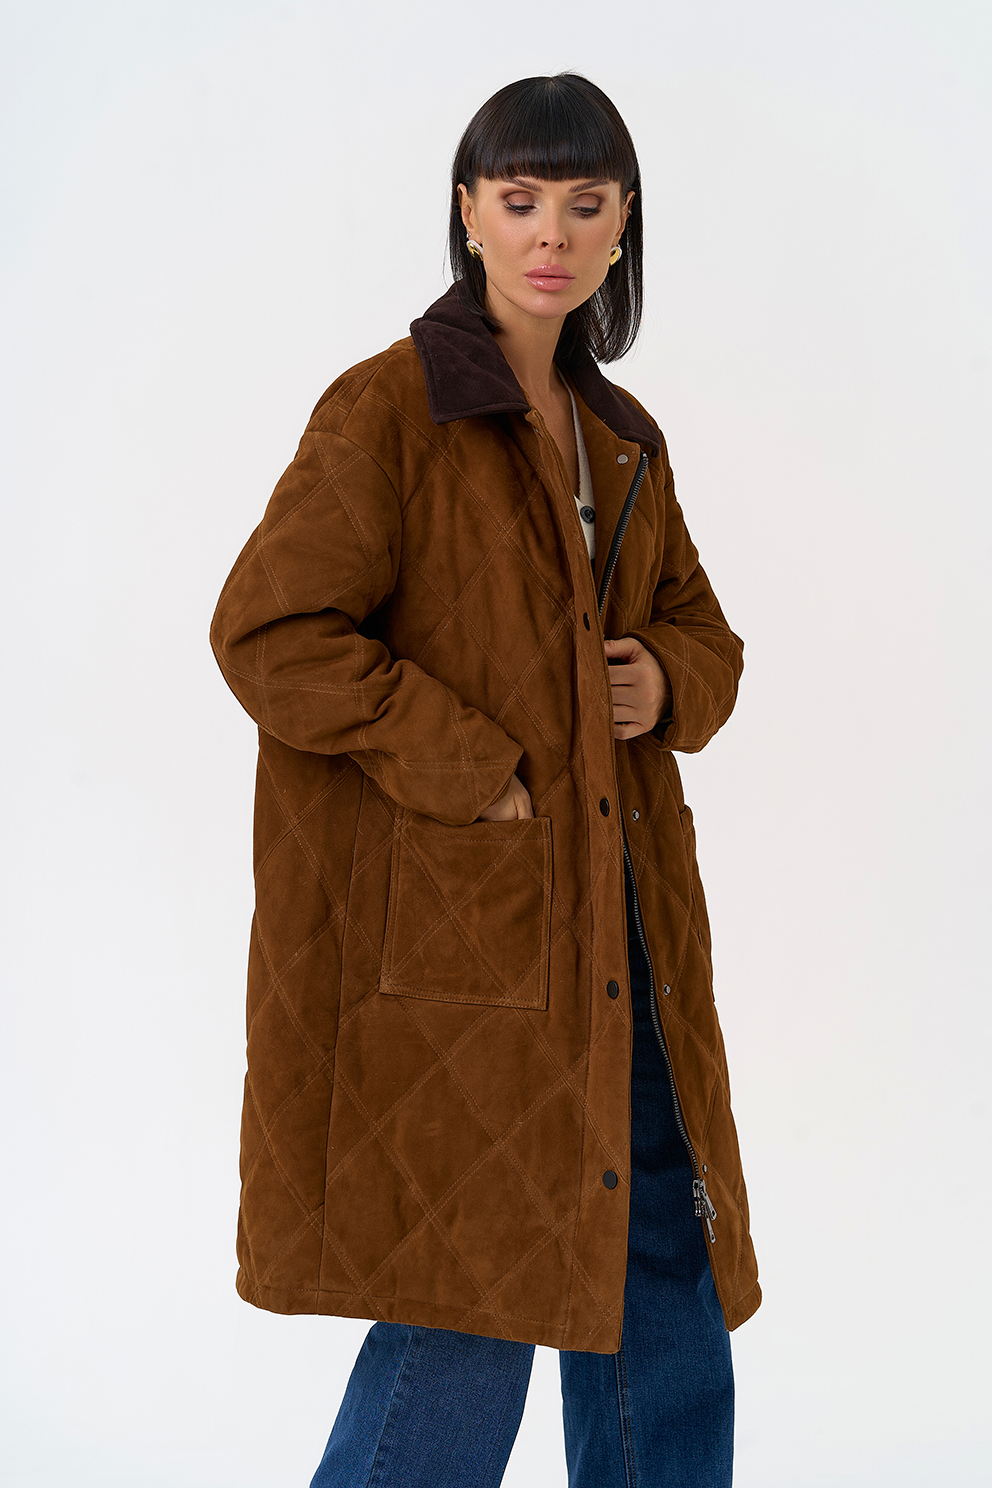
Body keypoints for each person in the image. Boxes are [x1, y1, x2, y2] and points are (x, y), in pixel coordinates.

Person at [210, 72, 760, 1488]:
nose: (551, 234)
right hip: (467, 944)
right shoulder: (394, 408)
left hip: (622, 930)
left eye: (584, 202)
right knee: (471, 1294)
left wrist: (665, 681)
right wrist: (473, 768)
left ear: (625, 223)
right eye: (520, 201)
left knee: (660, 1257)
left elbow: (705, 634)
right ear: (469, 215)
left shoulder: (621, 433)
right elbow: (269, 632)